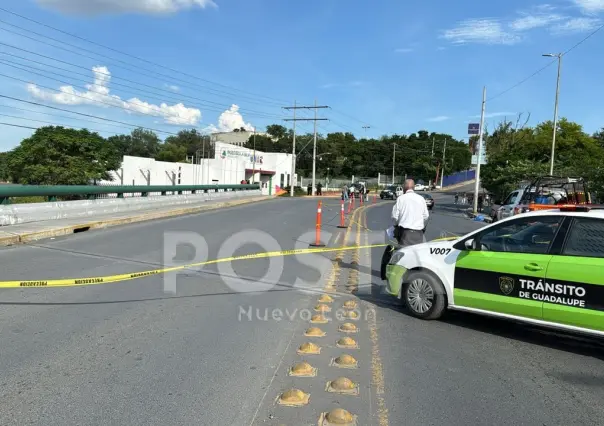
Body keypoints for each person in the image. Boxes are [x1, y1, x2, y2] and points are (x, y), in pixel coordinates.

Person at [391, 179, 430, 247]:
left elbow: (394, 216)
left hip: (405, 233)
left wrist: (397, 224)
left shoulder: (400, 199)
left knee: (404, 254)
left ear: (404, 188)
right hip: (419, 233)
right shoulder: (421, 199)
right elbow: (426, 216)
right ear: (414, 187)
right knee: (417, 254)